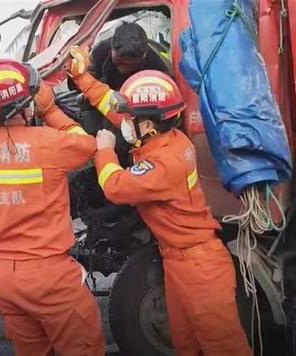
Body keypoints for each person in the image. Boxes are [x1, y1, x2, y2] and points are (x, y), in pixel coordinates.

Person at [70, 54, 253, 355]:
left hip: (199, 267)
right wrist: (82, 78)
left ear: (149, 125)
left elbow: (116, 187)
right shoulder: (164, 137)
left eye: (131, 120)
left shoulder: (165, 162)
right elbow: (112, 105)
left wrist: (105, 152)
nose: (124, 123)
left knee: (224, 348)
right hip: (181, 262)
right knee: (185, 344)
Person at [0, 59, 105, 355]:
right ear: (23, 105)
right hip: (47, 277)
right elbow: (87, 145)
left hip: (0, 277)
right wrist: (50, 110)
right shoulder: (47, 143)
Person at [89, 21, 170, 91]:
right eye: (118, 62)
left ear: (144, 55)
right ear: (112, 48)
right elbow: (89, 77)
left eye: (127, 65)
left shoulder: (159, 68)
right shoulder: (101, 51)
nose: (122, 69)